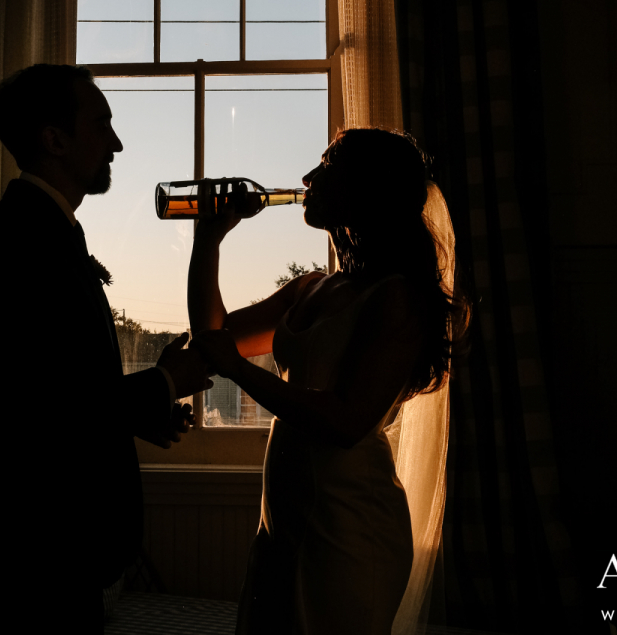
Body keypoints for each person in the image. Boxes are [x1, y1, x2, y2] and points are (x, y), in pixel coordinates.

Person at [0, 64, 213, 631]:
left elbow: (64, 388)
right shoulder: (23, 239)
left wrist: (139, 413)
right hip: (42, 536)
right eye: (102, 125)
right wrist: (165, 380)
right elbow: (45, 408)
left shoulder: (44, 228)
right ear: (54, 139)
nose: (117, 143)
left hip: (53, 538)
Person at [188, 128, 469, 635]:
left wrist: (238, 369)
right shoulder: (313, 286)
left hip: (350, 526)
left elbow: (345, 421)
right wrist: (207, 241)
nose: (307, 177)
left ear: (368, 188)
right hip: (281, 522)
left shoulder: (397, 297)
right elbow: (213, 337)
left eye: (327, 165)